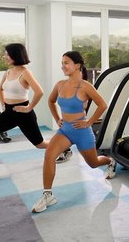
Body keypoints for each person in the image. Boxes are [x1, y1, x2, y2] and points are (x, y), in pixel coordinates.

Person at [32, 50, 115, 213]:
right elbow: (50, 101)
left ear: (77, 65)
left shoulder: (85, 86)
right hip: (65, 131)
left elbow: (102, 105)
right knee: (49, 155)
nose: (63, 66)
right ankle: (47, 195)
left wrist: (89, 122)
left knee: (93, 163)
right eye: (62, 63)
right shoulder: (60, 85)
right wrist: (57, 118)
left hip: (82, 132)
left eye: (66, 63)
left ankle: (110, 161)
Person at [0, 43, 48, 184]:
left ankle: (63, 148)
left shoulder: (25, 72)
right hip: (9, 112)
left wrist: (29, 108)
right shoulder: (7, 72)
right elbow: (0, 89)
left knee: (39, 144)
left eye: (8, 54)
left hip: (23, 114)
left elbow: (39, 92)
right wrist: (3, 104)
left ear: (16, 55)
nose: (5, 57)